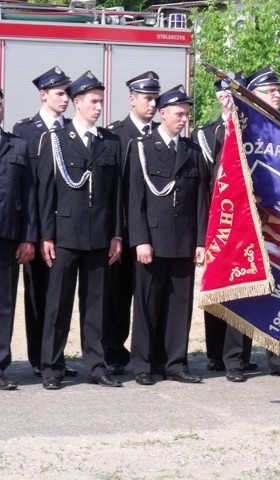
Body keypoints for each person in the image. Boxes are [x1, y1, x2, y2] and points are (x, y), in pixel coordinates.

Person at [37, 71, 124, 390]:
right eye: (93, 101)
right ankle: (51, 366)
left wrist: (116, 234)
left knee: (96, 305)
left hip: (100, 236)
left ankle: (96, 365)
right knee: (57, 304)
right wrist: (46, 234)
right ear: (76, 103)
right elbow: (46, 192)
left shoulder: (110, 142)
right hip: (65, 234)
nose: (99, 107)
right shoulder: (57, 140)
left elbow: (116, 195)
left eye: (101, 101)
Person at [229, 66, 280, 381]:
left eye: (279, 90)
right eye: (269, 90)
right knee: (241, 286)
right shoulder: (239, 126)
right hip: (245, 219)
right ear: (252, 95)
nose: (276, 94)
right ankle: (236, 360)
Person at [127, 85, 208, 386]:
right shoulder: (142, 148)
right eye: (178, 113)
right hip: (153, 240)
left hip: (183, 241)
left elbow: (201, 199)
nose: (183, 119)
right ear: (163, 113)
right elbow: (135, 199)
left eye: (187, 114)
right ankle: (144, 364)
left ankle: (175, 363)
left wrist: (200, 241)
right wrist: (140, 240)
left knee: (179, 305)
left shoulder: (191, 150)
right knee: (147, 304)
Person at [12, 66, 78, 380]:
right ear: (43, 95)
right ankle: (39, 357)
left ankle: (57, 357)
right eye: (59, 93)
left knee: (62, 297)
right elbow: (24, 187)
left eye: (67, 93)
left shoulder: (72, 130)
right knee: (38, 296)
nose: (66, 99)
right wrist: (31, 232)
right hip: (36, 229)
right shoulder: (25, 131)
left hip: (65, 230)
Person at [191, 72, 257, 378]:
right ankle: (217, 354)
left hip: (246, 222)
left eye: (237, 93)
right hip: (216, 222)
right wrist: (201, 237)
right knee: (217, 286)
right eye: (226, 93)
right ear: (219, 97)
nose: (231, 98)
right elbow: (201, 188)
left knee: (242, 288)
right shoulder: (205, 135)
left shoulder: (254, 131)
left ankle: (237, 358)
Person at [103, 70, 162, 376]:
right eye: (147, 98)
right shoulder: (116, 135)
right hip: (122, 232)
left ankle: (148, 353)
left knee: (149, 297)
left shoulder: (159, 135)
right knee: (116, 297)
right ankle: (113, 352)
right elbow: (112, 190)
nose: (152, 104)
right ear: (132, 99)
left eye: (155, 98)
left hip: (152, 233)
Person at [0, 88, 36, 390]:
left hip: (8, 237)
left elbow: (29, 197)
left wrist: (28, 238)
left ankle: (0, 366)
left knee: (3, 304)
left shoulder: (18, 146)